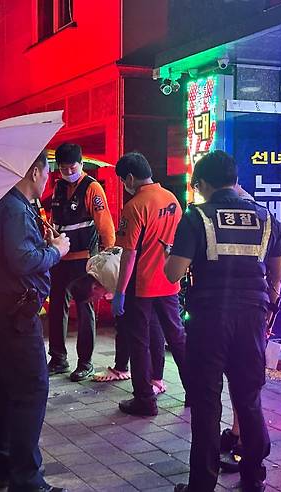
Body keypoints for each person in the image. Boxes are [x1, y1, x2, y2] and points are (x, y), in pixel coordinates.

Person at [165, 150, 281, 492]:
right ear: (235, 181)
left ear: (202, 184)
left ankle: (202, 485)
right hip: (251, 318)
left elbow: (173, 273)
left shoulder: (197, 217)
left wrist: (169, 256)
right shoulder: (265, 217)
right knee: (248, 398)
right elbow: (277, 269)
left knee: (206, 403)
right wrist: (270, 303)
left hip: (209, 320)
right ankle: (253, 477)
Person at [0, 150, 70, 492]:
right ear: (33, 172)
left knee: (4, 389)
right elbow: (21, 260)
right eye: (47, 172)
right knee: (31, 389)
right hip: (15, 315)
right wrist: (55, 251)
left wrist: (42, 244)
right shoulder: (14, 209)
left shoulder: (1, 205)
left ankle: (3, 468)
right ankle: (27, 480)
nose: (49, 179)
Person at [112, 152, 188, 417]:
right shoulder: (172, 200)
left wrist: (119, 292)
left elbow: (129, 253)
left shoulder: (134, 206)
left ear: (130, 178)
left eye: (123, 180)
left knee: (139, 341)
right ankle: (194, 392)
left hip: (142, 285)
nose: (125, 185)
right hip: (169, 281)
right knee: (177, 337)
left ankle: (145, 400)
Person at [47, 143, 116, 382]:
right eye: (63, 168)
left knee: (86, 311)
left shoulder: (92, 188)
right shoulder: (58, 188)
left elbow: (105, 226)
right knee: (57, 308)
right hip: (59, 259)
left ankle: (85, 362)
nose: (68, 172)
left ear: (81, 164)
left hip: (85, 262)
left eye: (72, 167)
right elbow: (54, 221)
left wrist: (107, 259)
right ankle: (58, 359)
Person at [69, 248, 167, 395]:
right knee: (122, 323)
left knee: (152, 329)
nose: (97, 300)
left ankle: (157, 379)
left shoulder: (110, 278)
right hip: (130, 279)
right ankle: (121, 369)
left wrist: (120, 297)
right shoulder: (91, 267)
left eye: (93, 298)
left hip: (149, 280)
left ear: (94, 287)